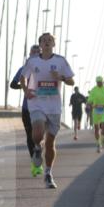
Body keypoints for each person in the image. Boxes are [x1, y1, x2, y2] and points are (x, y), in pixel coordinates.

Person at [20, 33, 74, 189]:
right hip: (36, 103)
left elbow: (71, 81)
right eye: (44, 40)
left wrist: (61, 77)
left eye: (50, 40)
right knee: (37, 131)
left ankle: (48, 173)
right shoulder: (32, 61)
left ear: (54, 44)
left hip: (54, 106)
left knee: (50, 143)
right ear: (40, 45)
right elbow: (23, 78)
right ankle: (37, 148)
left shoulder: (61, 61)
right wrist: (26, 91)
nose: (47, 42)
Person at [11, 44, 42, 177]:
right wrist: (25, 88)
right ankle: (34, 162)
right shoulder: (23, 69)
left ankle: (38, 151)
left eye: (37, 52)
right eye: (33, 52)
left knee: (39, 136)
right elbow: (12, 84)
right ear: (29, 55)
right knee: (30, 135)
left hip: (42, 107)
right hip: (27, 107)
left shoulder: (44, 69)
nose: (35, 53)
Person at [87, 76, 104, 152]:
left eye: (100, 82)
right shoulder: (94, 90)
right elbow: (90, 99)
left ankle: (103, 139)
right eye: (97, 82)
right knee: (96, 128)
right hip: (96, 110)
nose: (99, 84)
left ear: (102, 82)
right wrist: (88, 103)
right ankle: (98, 144)